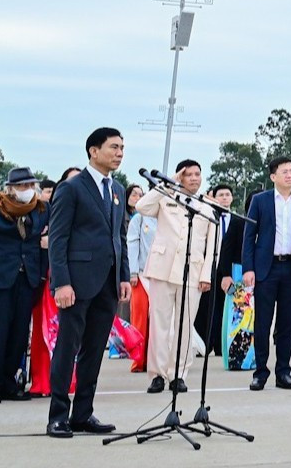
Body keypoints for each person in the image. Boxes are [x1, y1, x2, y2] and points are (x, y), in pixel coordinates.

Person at [43, 127, 130, 438]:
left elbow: (120, 237)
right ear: (94, 151)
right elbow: (58, 238)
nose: (119, 153)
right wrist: (61, 283)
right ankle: (58, 415)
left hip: (107, 284)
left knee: (94, 350)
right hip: (77, 284)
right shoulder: (72, 188)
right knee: (68, 348)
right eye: (113, 147)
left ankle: (83, 413)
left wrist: (123, 276)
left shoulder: (117, 190)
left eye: (122, 148)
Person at [136, 159, 219, 394]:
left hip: (192, 272)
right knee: (160, 325)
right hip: (162, 269)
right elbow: (142, 206)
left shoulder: (205, 207)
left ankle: (178, 373)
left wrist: (207, 275)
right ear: (180, 176)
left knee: (185, 325)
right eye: (188, 174)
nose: (193, 178)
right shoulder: (166, 197)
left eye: (197, 174)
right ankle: (157, 374)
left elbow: (212, 246)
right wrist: (168, 182)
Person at [0, 165, 47, 403]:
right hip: (0, 280)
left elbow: (43, 245)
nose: (27, 190)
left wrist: (41, 277)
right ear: (11, 188)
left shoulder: (42, 210)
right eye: (22, 186)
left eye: (31, 185)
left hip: (28, 279)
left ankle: (9, 382)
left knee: (19, 334)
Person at [242, 155, 291, 391]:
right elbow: (249, 237)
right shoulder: (261, 201)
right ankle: (260, 372)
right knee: (262, 323)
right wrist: (248, 268)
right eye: (284, 171)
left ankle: (283, 372)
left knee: (287, 324)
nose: (290, 174)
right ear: (273, 176)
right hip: (266, 268)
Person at [200, 184, 237, 354]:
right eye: (220, 194)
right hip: (209, 266)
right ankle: (206, 343)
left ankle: (222, 346)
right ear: (214, 197)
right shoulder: (207, 217)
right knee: (208, 307)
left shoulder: (237, 219)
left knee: (226, 308)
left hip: (228, 269)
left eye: (227, 194)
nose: (224, 197)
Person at [123, 183, 153, 372]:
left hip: (160, 276)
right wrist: (132, 271)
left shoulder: (168, 216)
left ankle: (155, 359)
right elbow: (132, 244)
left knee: (158, 321)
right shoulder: (139, 218)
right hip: (141, 276)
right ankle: (138, 359)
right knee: (140, 319)